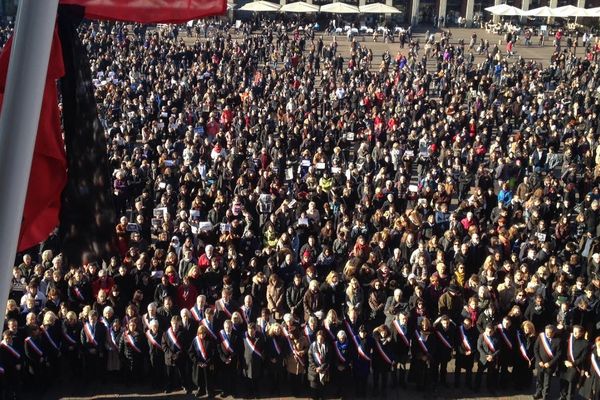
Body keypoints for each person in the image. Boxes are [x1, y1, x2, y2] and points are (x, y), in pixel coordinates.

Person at [559, 325, 589, 400]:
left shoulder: (585, 343)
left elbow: (583, 357)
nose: (574, 333)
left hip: (575, 366)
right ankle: (562, 396)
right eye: (574, 331)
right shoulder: (569, 338)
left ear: (582, 333)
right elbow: (562, 350)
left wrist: (573, 363)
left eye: (577, 332)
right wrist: (564, 361)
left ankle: (570, 397)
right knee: (563, 381)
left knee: (572, 383)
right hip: (565, 363)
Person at [534, 324, 562, 400]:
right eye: (546, 332)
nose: (546, 334)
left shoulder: (558, 340)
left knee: (547, 382)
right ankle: (538, 392)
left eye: (549, 333)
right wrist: (539, 360)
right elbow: (535, 349)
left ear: (553, 333)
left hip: (550, 365)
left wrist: (550, 363)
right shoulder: (541, 337)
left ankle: (545, 395)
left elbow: (558, 354)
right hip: (540, 363)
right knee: (539, 380)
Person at [188, 325, 215, 398]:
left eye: (204, 333)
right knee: (199, 378)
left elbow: (213, 353)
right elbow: (191, 352)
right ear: (198, 333)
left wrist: (207, 362)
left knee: (208, 378)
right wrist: (197, 362)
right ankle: (200, 389)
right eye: (200, 333)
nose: (202, 335)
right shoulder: (195, 340)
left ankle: (208, 390)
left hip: (207, 364)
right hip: (198, 363)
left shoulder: (210, 340)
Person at [80, 310, 106, 381]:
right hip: (88, 351)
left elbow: (103, 339)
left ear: (97, 317)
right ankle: (90, 380)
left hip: (98, 350)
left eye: (94, 318)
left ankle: (99, 380)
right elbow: (83, 340)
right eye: (91, 318)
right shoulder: (85, 327)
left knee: (99, 366)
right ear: (88, 318)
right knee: (89, 366)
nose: (92, 320)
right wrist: (89, 349)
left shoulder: (102, 326)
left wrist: (98, 349)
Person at [162, 315, 186, 393]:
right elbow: (163, 345)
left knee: (182, 373)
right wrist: (171, 354)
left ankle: (184, 385)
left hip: (180, 356)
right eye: (173, 323)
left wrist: (178, 354)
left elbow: (185, 345)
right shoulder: (166, 333)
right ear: (171, 323)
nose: (175, 325)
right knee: (169, 374)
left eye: (176, 323)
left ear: (179, 323)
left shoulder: (183, 332)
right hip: (169, 357)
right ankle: (169, 386)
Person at [120, 317, 147, 382]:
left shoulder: (140, 334)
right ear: (128, 326)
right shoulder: (125, 334)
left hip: (138, 356)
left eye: (134, 325)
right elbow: (121, 345)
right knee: (128, 370)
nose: (132, 327)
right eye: (131, 325)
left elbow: (144, 345)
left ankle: (138, 381)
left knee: (138, 369)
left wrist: (143, 354)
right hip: (127, 356)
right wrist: (120, 355)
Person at [475, 323, 500, 393]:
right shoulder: (481, 336)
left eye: (490, 331)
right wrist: (486, 356)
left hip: (492, 359)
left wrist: (492, 356)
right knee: (479, 373)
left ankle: (489, 387)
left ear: (493, 331)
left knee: (490, 374)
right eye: (487, 331)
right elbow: (479, 347)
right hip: (483, 358)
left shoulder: (497, 337)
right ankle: (477, 386)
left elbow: (499, 349)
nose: (489, 333)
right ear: (485, 330)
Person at [241, 322, 264, 397]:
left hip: (257, 361)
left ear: (255, 330)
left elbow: (263, 347)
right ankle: (249, 392)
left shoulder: (260, 336)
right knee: (248, 378)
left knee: (257, 377)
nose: (250, 332)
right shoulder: (244, 336)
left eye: (252, 330)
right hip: (247, 360)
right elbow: (241, 349)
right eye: (249, 330)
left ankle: (256, 392)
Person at [454, 316, 478, 389]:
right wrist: (463, 352)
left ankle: (468, 383)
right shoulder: (458, 330)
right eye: (465, 324)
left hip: (470, 354)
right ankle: (456, 383)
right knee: (458, 369)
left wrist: (472, 351)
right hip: (460, 353)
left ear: (471, 324)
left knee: (469, 370)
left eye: (468, 324)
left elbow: (476, 343)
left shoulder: (474, 331)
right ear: (463, 323)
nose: (466, 326)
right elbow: (456, 343)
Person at [372, 324, 394, 396]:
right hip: (376, 361)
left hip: (385, 362)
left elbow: (392, 351)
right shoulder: (376, 338)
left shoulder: (390, 340)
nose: (383, 333)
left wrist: (392, 359)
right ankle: (375, 389)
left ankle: (384, 390)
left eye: (385, 332)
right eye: (382, 332)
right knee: (376, 376)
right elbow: (374, 331)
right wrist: (379, 327)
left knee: (385, 377)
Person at [390, 312, 410, 388]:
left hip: (404, 350)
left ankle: (402, 382)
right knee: (394, 367)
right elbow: (391, 337)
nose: (405, 320)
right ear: (399, 318)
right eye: (403, 319)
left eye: (406, 318)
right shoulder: (394, 325)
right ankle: (394, 383)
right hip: (395, 350)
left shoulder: (409, 325)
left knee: (403, 367)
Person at [308, 330, 330, 400]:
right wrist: (316, 368)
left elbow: (329, 359)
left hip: (323, 371)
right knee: (314, 392)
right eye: (318, 338)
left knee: (322, 391)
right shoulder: (312, 345)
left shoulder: (327, 346)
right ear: (316, 338)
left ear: (324, 338)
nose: (320, 340)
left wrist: (321, 368)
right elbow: (310, 359)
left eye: (322, 338)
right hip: (313, 372)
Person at [146, 319, 165, 389]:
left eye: (156, 326)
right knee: (152, 370)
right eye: (153, 326)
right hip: (151, 355)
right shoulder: (148, 334)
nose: (155, 328)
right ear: (150, 327)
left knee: (160, 369)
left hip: (160, 355)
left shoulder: (162, 333)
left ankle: (160, 383)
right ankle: (153, 384)